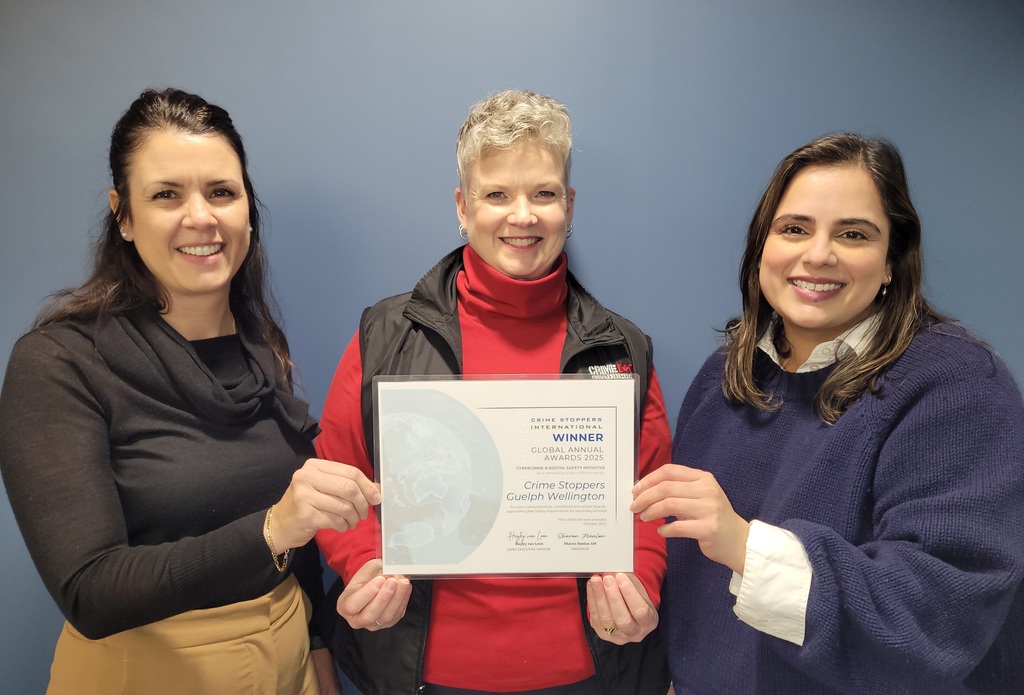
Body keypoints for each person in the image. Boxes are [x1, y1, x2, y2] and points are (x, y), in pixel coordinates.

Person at [0, 88, 381, 695]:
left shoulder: (261, 347)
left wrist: (317, 650)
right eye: (166, 195)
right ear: (122, 214)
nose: (200, 217)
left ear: (247, 212)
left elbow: (299, 528)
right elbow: (90, 592)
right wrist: (272, 530)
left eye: (221, 192)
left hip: (286, 663)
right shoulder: (58, 363)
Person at [631, 133, 1024, 693]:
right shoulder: (725, 375)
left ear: (892, 261)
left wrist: (745, 544)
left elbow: (939, 615)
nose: (818, 254)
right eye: (794, 229)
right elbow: (696, 590)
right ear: (761, 247)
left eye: (853, 234)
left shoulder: (957, 385)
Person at [314, 89, 672, 694]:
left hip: (585, 674)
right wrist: (361, 565)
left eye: (544, 193)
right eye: (496, 195)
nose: (522, 216)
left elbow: (651, 502)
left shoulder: (622, 348)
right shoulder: (384, 334)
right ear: (462, 205)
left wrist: (640, 580)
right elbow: (336, 473)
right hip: (423, 673)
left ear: (570, 204)